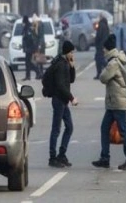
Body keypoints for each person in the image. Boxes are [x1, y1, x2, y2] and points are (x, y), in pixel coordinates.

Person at [92, 34, 126, 171]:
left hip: (117, 102)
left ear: (108, 49)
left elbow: (103, 77)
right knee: (105, 128)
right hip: (114, 102)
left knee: (123, 130)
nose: (103, 51)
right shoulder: (115, 60)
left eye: (104, 49)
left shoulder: (113, 63)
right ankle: (105, 158)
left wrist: (104, 69)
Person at [47, 40, 78, 168]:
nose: (73, 54)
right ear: (67, 52)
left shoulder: (66, 64)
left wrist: (72, 67)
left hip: (63, 101)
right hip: (59, 100)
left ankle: (62, 154)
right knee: (56, 129)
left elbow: (71, 80)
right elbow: (61, 85)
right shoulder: (60, 65)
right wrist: (71, 98)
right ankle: (53, 157)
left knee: (69, 127)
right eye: (72, 52)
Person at [93, 14, 110, 80]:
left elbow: (99, 36)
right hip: (105, 45)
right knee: (100, 59)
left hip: (100, 45)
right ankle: (100, 73)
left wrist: (95, 40)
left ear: (100, 18)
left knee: (99, 59)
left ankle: (101, 72)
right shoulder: (106, 25)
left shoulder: (100, 25)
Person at [22, 16, 36, 81]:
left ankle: (37, 71)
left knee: (28, 62)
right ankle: (28, 76)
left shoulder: (29, 27)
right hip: (27, 47)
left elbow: (30, 37)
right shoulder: (26, 27)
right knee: (27, 62)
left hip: (30, 47)